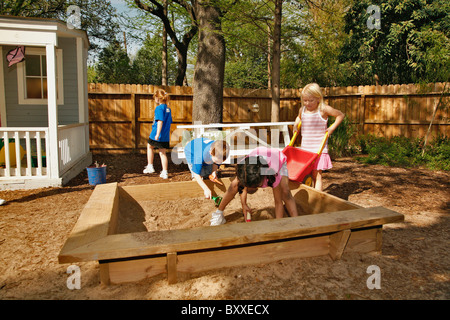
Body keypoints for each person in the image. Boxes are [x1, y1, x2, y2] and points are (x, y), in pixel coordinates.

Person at [210, 147, 299, 226]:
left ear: (261, 182)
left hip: (277, 157)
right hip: (257, 157)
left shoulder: (273, 174)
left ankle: (296, 220)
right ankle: (218, 214)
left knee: (285, 191)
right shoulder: (243, 167)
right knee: (234, 184)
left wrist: (278, 224)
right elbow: (241, 186)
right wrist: (244, 204)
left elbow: (278, 202)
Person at [293, 83, 344, 191]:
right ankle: (309, 197)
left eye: (310, 100)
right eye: (305, 100)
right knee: (307, 174)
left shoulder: (323, 109)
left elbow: (340, 115)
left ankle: (317, 198)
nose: (307, 103)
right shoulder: (302, 110)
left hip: (319, 149)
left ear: (318, 98)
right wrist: (295, 125)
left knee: (317, 175)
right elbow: (299, 118)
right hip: (306, 149)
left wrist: (332, 128)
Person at [143, 89, 172, 179]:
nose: (154, 99)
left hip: (157, 133)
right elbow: (169, 122)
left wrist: (157, 134)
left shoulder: (159, 108)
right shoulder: (168, 108)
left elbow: (160, 121)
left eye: (154, 97)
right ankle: (165, 172)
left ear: (157, 98)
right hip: (165, 135)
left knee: (149, 146)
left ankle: (150, 166)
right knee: (162, 153)